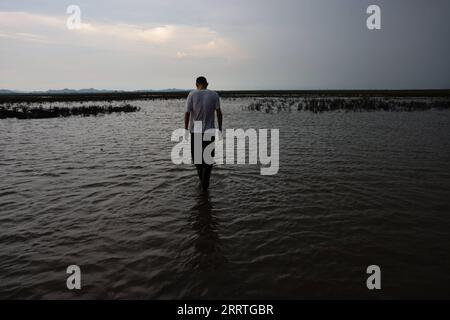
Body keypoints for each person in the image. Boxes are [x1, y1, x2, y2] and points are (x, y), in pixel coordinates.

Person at [184, 76, 223, 191]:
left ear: (196, 84)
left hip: (196, 131)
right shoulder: (214, 95)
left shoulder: (192, 94)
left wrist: (185, 129)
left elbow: (187, 113)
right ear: (207, 84)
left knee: (197, 160)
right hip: (209, 131)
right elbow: (219, 113)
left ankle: (203, 184)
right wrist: (220, 128)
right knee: (208, 160)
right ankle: (205, 184)